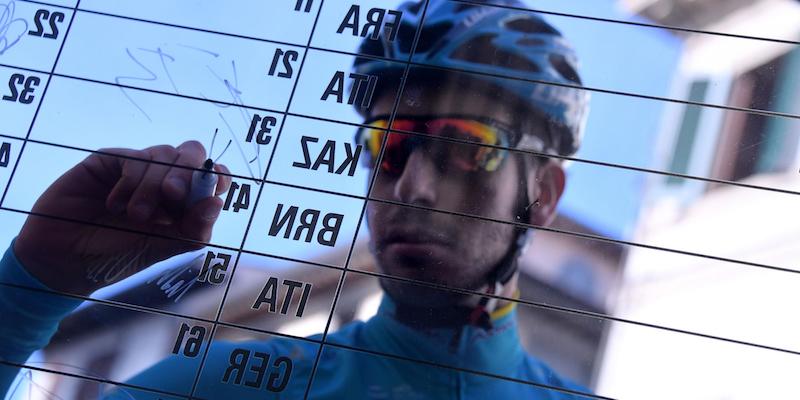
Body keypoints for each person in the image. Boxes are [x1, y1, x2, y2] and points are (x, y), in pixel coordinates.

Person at [0, 0, 591, 398]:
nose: (413, 188)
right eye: (386, 146)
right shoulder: (218, 386)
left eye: (465, 148)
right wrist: (29, 289)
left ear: (542, 195)